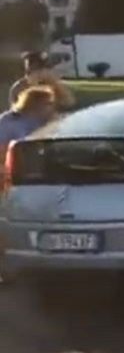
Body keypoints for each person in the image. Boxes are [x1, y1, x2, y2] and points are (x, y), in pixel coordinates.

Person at [0, 86, 57, 286]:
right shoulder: (9, 122)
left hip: (38, 180)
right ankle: (7, 270)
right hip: (10, 179)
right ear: (36, 104)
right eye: (48, 103)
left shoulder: (47, 123)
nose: (51, 107)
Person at [8, 51, 75, 111]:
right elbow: (15, 109)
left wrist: (53, 82)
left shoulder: (52, 84)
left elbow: (69, 103)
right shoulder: (20, 87)